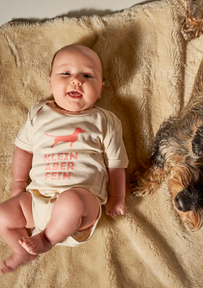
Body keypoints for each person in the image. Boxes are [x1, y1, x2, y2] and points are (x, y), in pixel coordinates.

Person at [0, 44, 129, 274]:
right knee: (2, 215)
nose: (76, 81)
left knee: (71, 200)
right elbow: (23, 148)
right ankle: (21, 251)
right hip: (37, 201)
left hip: (80, 207)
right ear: (51, 82)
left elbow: (116, 163)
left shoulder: (105, 120)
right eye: (66, 73)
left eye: (87, 76)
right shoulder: (39, 113)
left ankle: (47, 240)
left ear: (100, 89)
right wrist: (19, 184)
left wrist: (117, 196)